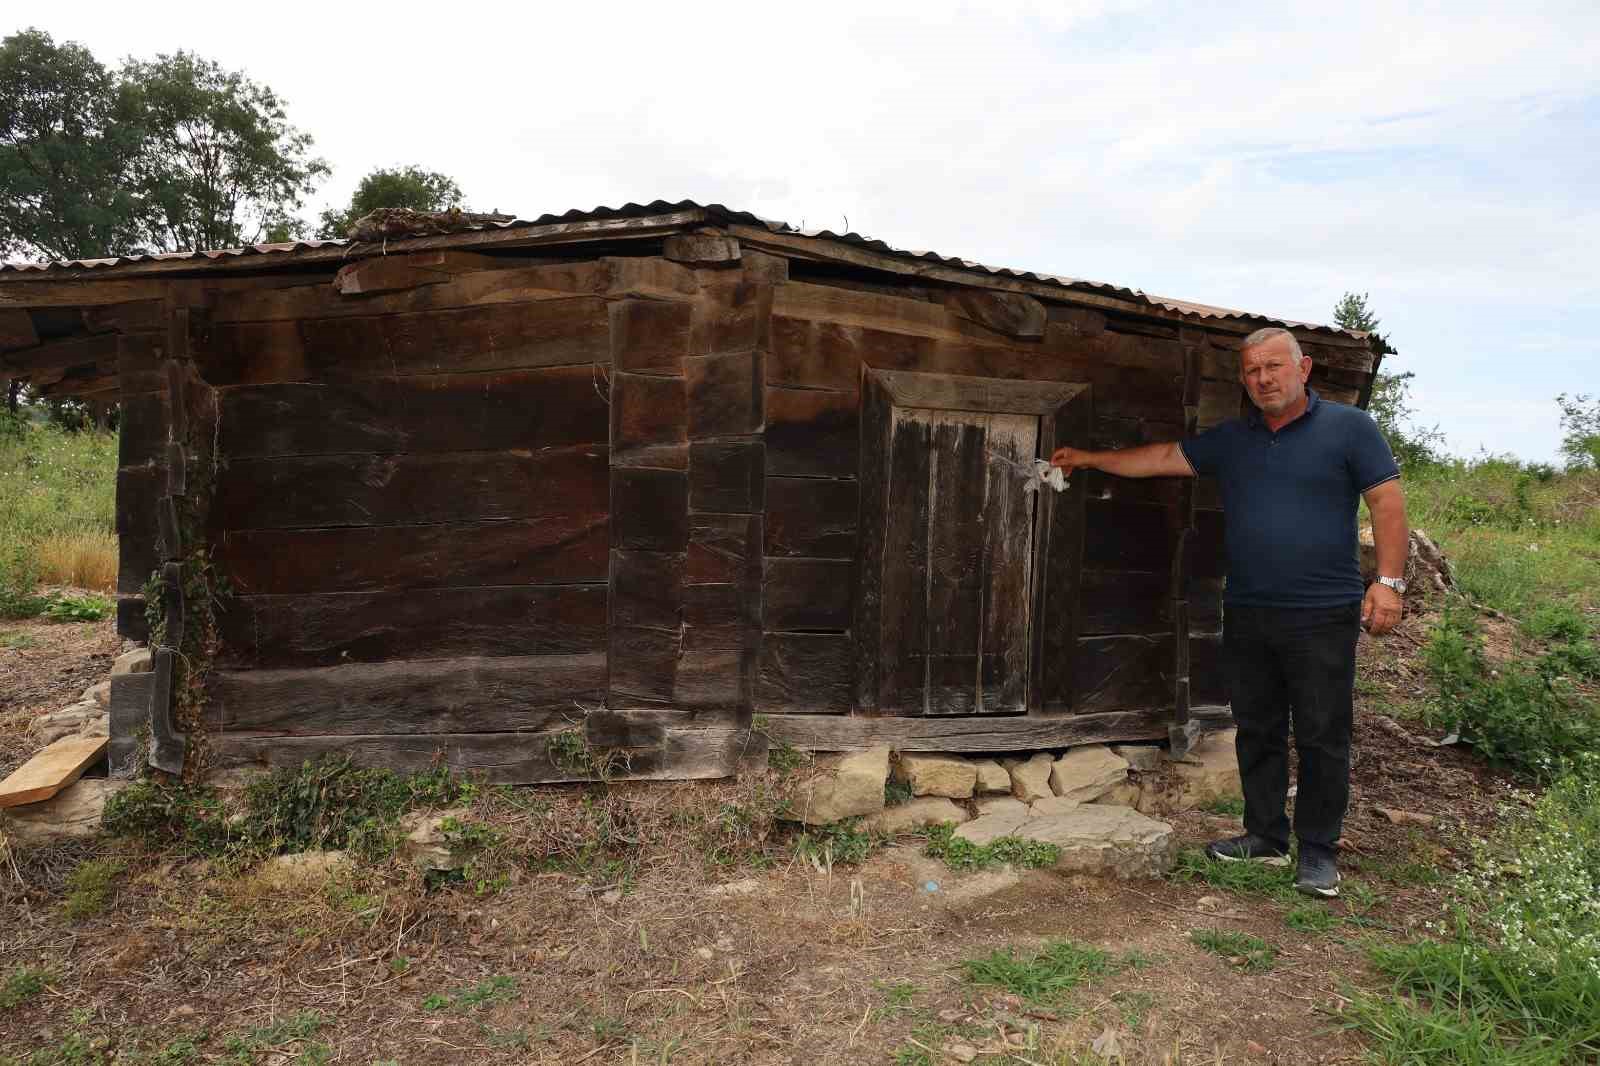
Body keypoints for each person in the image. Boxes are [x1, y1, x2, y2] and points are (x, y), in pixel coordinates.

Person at [1049, 327, 1408, 899]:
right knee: (1258, 728)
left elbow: (1386, 501)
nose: (1263, 379)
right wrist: (1090, 458)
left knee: (1321, 733)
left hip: (1322, 612)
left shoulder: (1350, 428)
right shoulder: (1235, 439)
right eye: (1252, 371)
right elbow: (1165, 457)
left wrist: (1387, 582)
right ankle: (1264, 835)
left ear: (1304, 367)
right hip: (1248, 608)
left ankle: (1318, 852)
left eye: (1274, 367)